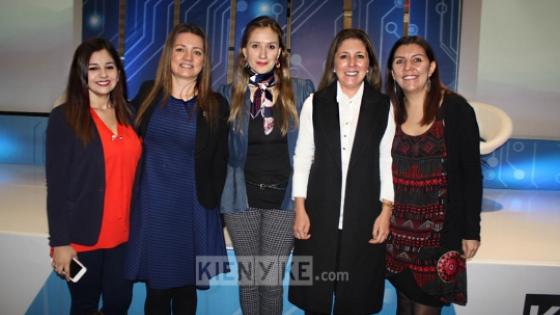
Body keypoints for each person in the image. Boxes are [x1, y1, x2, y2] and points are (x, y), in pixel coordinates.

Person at [124, 24, 229, 315]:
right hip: (153, 208)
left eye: (197, 52)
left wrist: (216, 214)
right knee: (156, 294)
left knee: (186, 292)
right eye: (181, 49)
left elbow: (220, 161)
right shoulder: (148, 93)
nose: (188, 57)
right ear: (169, 54)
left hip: (193, 210)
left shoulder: (216, 105)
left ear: (204, 60)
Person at [289, 28, 395, 314]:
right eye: (344, 56)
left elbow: (387, 160)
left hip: (364, 217)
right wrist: (300, 208)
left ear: (369, 65)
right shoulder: (316, 102)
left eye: (360, 56)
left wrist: (386, 212)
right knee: (315, 298)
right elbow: (303, 157)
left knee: (356, 300)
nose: (352, 63)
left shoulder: (383, 106)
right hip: (318, 215)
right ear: (333, 63)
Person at [219, 16, 314, 315]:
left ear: (280, 53)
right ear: (244, 52)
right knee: (249, 281)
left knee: (271, 282)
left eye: (270, 46)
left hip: (284, 201)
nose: (262, 54)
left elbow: (313, 150)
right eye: (255, 46)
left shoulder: (301, 91)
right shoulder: (226, 95)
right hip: (240, 201)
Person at [384, 36, 482, 315]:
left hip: (440, 238)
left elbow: (471, 175)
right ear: (392, 71)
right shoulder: (389, 111)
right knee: (404, 304)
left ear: (432, 67)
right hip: (397, 235)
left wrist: (471, 231)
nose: (408, 67)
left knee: (426, 309)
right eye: (400, 62)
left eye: (417, 60)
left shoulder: (456, 110)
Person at [46, 38, 141, 315]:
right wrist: (60, 243)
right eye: (93, 68)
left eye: (109, 67)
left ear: (118, 73)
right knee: (85, 306)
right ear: (81, 73)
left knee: (119, 304)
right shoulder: (64, 117)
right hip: (83, 237)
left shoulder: (130, 113)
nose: (103, 74)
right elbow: (57, 186)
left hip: (125, 237)